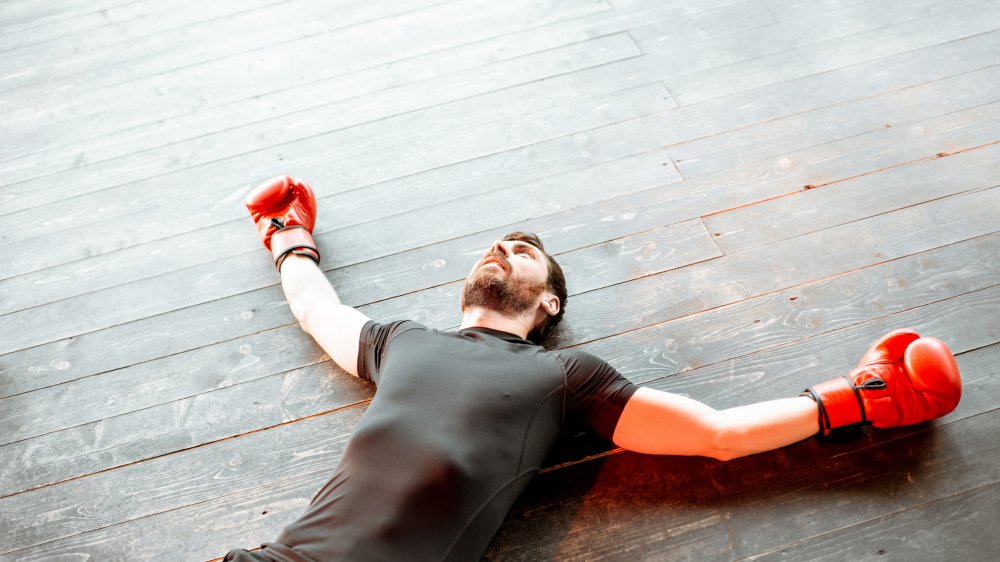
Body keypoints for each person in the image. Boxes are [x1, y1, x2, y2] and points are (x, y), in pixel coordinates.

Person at [224, 176, 963, 562]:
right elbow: (320, 312)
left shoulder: (565, 377)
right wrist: (289, 236)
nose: (500, 250)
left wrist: (856, 399)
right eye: (495, 245)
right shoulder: (401, 341)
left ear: (547, 302)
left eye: (522, 251)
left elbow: (715, 433)